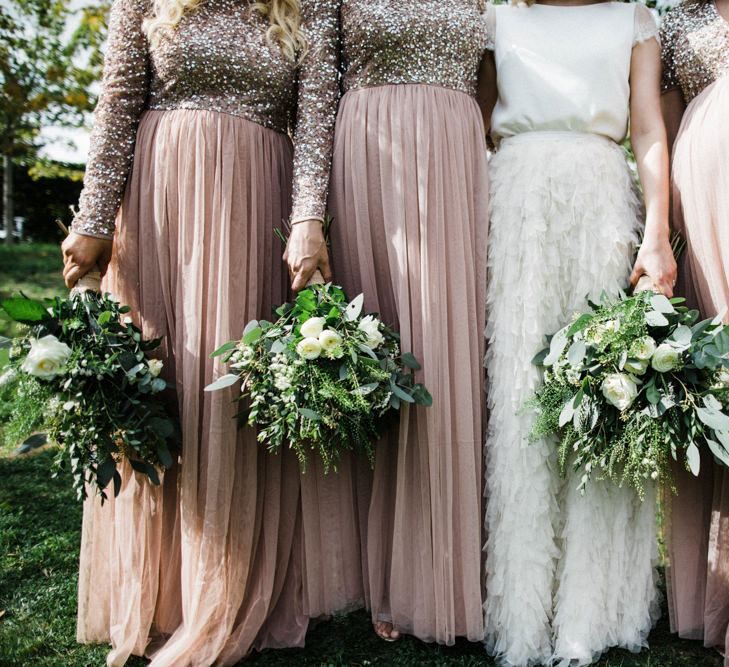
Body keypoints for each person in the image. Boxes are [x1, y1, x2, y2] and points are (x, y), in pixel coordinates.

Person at [61, 0, 338, 663]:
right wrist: (94, 218)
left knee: (227, 391)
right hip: (158, 199)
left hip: (253, 197)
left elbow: (318, 119)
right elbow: (118, 105)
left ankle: (223, 585)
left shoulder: (310, 4)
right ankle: (156, 593)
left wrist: (307, 220)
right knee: (160, 385)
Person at [285, 0, 490, 644]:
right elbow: (317, 97)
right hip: (368, 162)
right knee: (379, 361)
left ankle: (440, 571)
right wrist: (308, 215)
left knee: (444, 357)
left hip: (457, 166)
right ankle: (373, 572)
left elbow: (494, 93)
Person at [479, 1, 677, 664]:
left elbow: (647, 128)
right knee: (520, 401)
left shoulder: (632, 19)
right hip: (517, 203)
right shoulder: (498, 16)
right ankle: (521, 613)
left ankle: (585, 615)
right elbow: (476, 124)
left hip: (599, 201)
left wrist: (654, 234)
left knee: (599, 398)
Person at [660, 2, 729, 662]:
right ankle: (716, 583)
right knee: (719, 373)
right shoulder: (676, 17)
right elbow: (665, 115)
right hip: (706, 190)